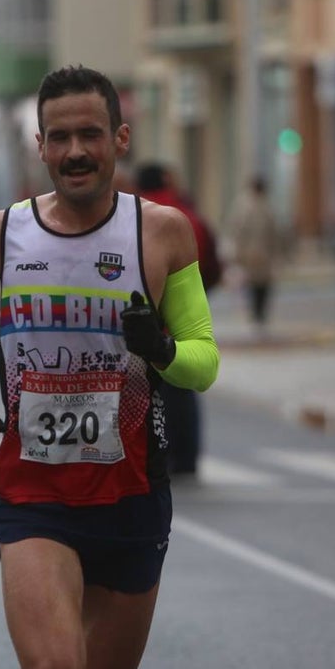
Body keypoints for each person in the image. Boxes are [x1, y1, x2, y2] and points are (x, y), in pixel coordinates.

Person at [0, 65, 218, 669]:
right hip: (34, 495)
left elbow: (203, 361)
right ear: (41, 146)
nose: (76, 151)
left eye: (91, 135)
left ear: (120, 140)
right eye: (60, 137)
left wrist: (159, 349)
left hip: (131, 495)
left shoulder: (161, 234)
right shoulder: (1, 234)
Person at [132, 161, 220, 478]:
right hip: (183, 322)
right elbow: (210, 261)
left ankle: (159, 456)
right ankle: (186, 458)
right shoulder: (185, 215)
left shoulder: (136, 220)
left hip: (140, 326)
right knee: (182, 391)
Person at [228, 175, 278, 333]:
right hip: (260, 254)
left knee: (256, 284)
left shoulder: (245, 206)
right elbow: (274, 233)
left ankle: (257, 313)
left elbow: (237, 231)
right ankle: (258, 313)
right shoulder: (265, 207)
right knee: (259, 284)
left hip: (253, 253)